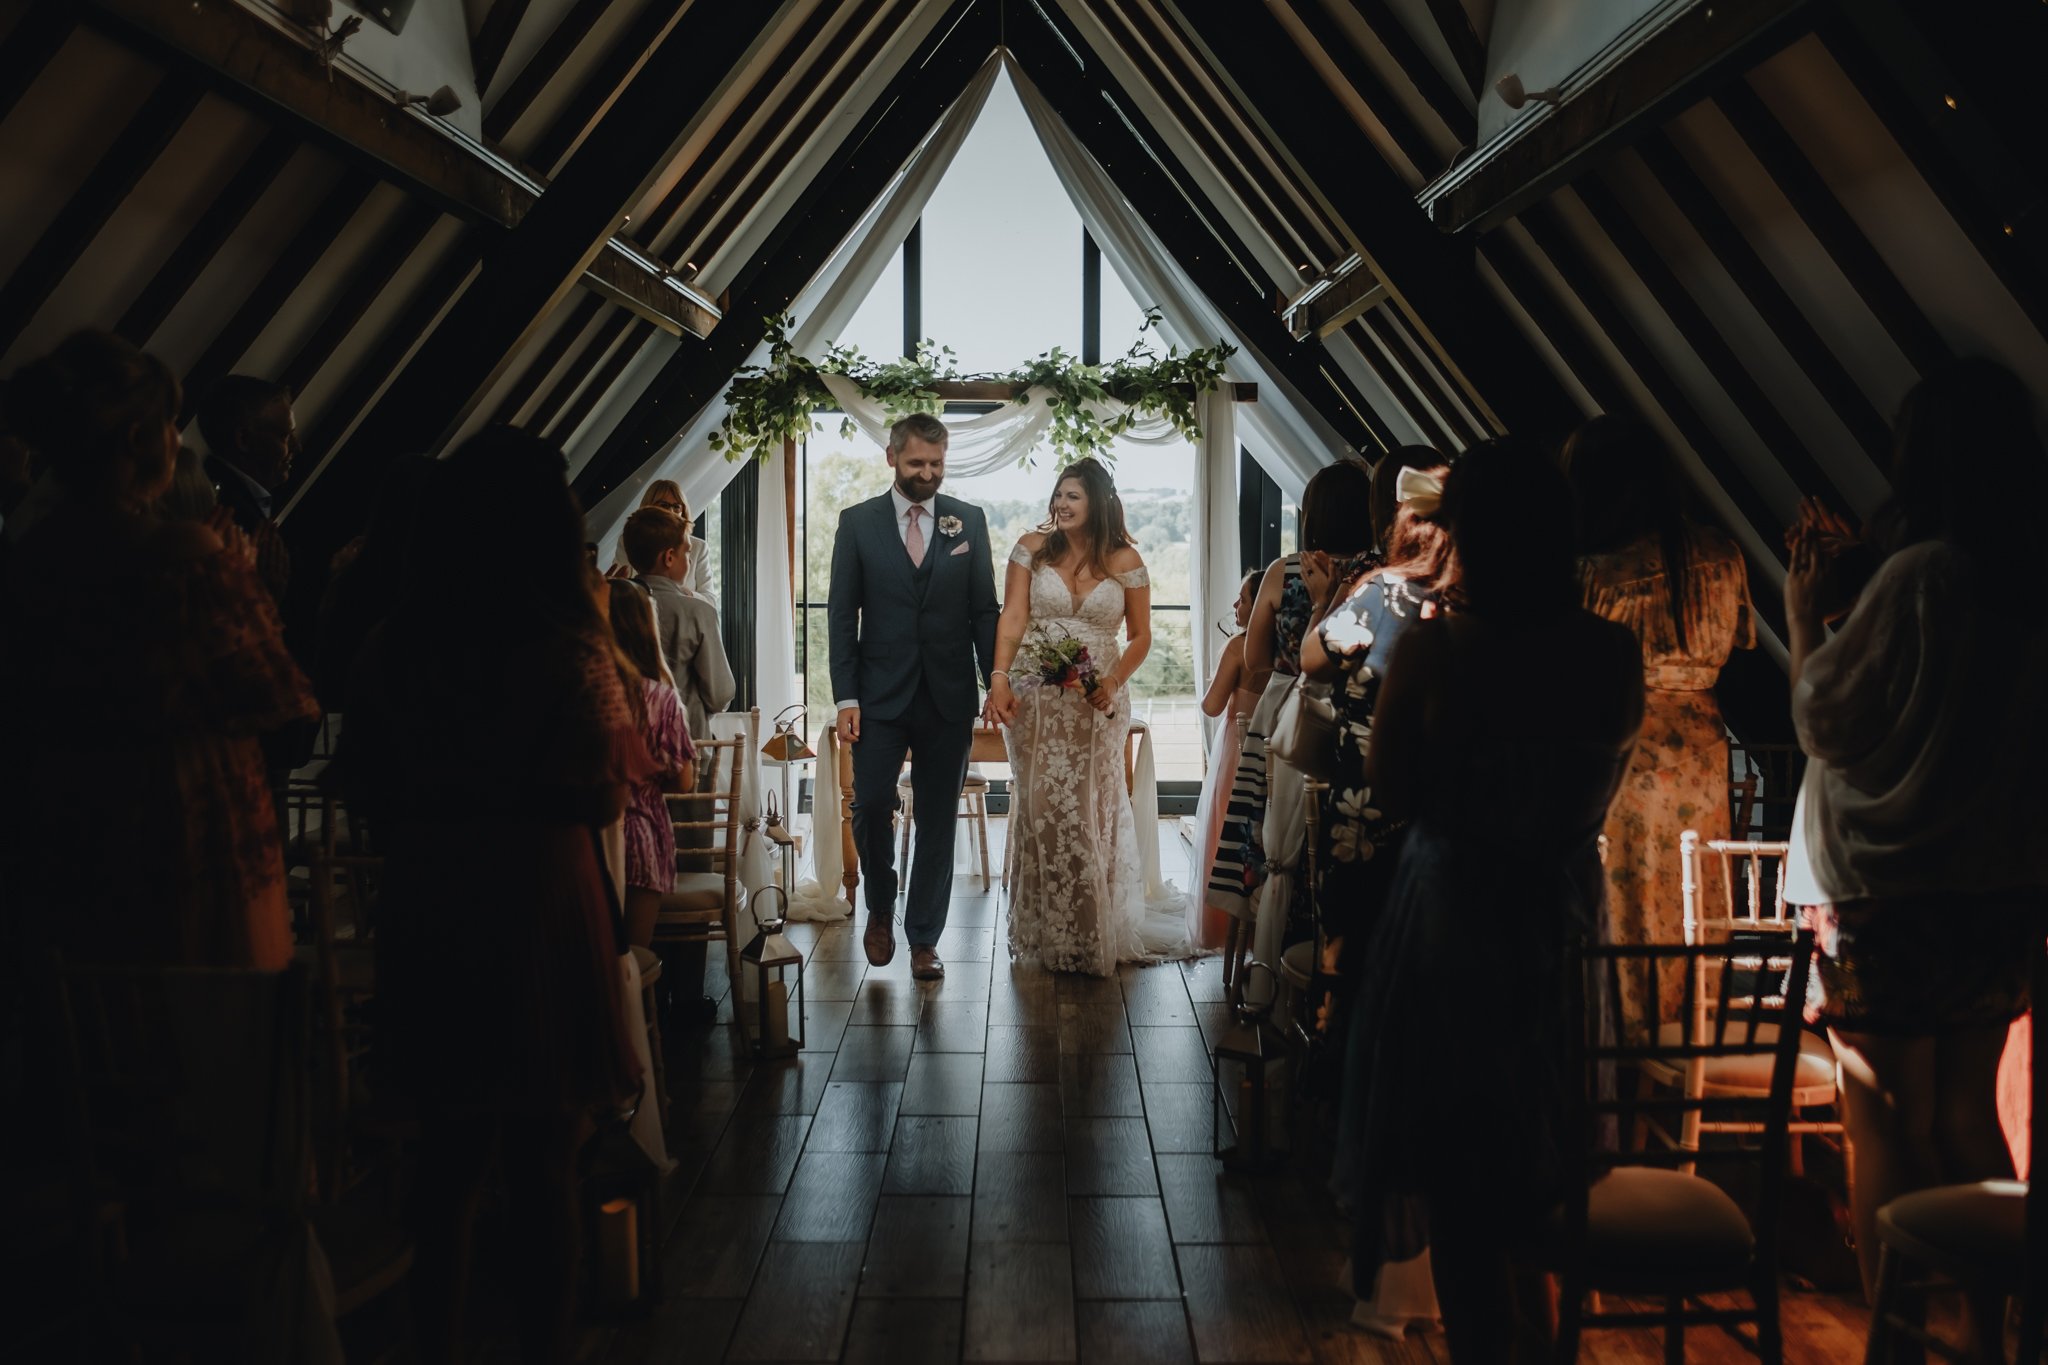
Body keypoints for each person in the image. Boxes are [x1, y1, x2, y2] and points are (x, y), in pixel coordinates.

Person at [1338, 441, 1643, 1363]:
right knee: (1539, 1171)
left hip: (1451, 922)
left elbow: (1392, 786)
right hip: (1559, 917)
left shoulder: (1439, 648)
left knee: (1462, 1186)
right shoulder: (1609, 652)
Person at [346, 425, 643, 1365]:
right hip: (541, 896)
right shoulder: (568, 645)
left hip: (432, 890)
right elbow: (604, 788)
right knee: (546, 1155)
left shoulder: (397, 641)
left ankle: (432, 1342)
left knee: (445, 1160)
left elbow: (362, 779)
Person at [1784, 359, 2048, 1347]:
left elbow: (1827, 717)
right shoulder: (2025, 579)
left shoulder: (1922, 575)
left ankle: (1893, 1338)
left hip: (1889, 892)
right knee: (1968, 1117)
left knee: (1882, 1120)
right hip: (1999, 886)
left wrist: (1806, 617)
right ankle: (1987, 1330)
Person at [0, 330, 318, 970]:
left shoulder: (29, 556)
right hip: (179, 816)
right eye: (170, 424)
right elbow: (278, 699)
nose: (178, 440)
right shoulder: (186, 554)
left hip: (63, 811)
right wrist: (246, 581)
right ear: (135, 441)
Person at [1564, 415, 1755, 1042]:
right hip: (1703, 758)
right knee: (1691, 904)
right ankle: (1688, 1046)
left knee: (1623, 912)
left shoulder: (1593, 573)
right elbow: (1744, 643)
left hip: (1618, 754)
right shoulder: (1722, 556)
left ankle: (1623, 1058)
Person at [985, 457, 1185, 974]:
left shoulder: (1125, 559)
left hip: (1099, 700)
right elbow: (1012, 616)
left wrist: (1113, 684)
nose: (1062, 504)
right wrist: (1000, 678)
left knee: (1091, 807)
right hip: (1037, 700)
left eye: (1073, 496)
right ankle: (1048, 932)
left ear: (1097, 501)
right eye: (1058, 495)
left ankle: (1093, 930)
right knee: (1042, 806)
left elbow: (1140, 636)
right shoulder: (1031, 549)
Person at [828, 412, 999, 981]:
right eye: (917, 463)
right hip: (877, 696)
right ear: (892, 459)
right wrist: (845, 696)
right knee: (872, 802)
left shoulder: (968, 521)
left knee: (936, 819)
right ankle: (880, 902)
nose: (928, 474)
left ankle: (924, 937)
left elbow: (983, 612)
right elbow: (840, 617)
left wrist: (994, 680)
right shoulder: (857, 524)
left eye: (937, 464)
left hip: (948, 697)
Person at [1207, 457, 1375, 958]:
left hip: (1285, 711)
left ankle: (1261, 961)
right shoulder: (1377, 573)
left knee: (1269, 832)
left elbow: (1255, 659)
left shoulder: (1284, 572)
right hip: (1352, 713)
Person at [1299, 461, 1454, 962]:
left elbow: (1313, 662)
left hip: (1370, 798)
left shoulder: (1386, 594)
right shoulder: (1497, 605)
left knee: (1357, 953)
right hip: (1458, 811)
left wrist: (1327, 601)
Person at [1190, 570, 1261, 948]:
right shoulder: (1294, 644)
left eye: (1244, 599)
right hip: (1276, 752)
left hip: (1240, 748)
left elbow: (1212, 705)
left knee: (1226, 832)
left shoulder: (1239, 647)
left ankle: (1224, 926)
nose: (1236, 606)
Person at [621, 505, 734, 739]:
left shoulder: (613, 606)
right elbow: (720, 694)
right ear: (669, 557)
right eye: (687, 552)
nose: (690, 560)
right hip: (686, 745)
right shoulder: (699, 612)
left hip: (626, 744)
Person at [195, 374, 296, 606]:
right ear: (243, 440)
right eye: (285, 436)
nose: (296, 447)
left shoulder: (218, 496)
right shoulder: (233, 522)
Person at [610, 479, 710, 598]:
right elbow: (620, 585)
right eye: (664, 505)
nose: (671, 512)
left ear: (683, 511)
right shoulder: (630, 541)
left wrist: (681, 594)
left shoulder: (699, 547)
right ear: (649, 507)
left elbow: (710, 599)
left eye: (676, 506)